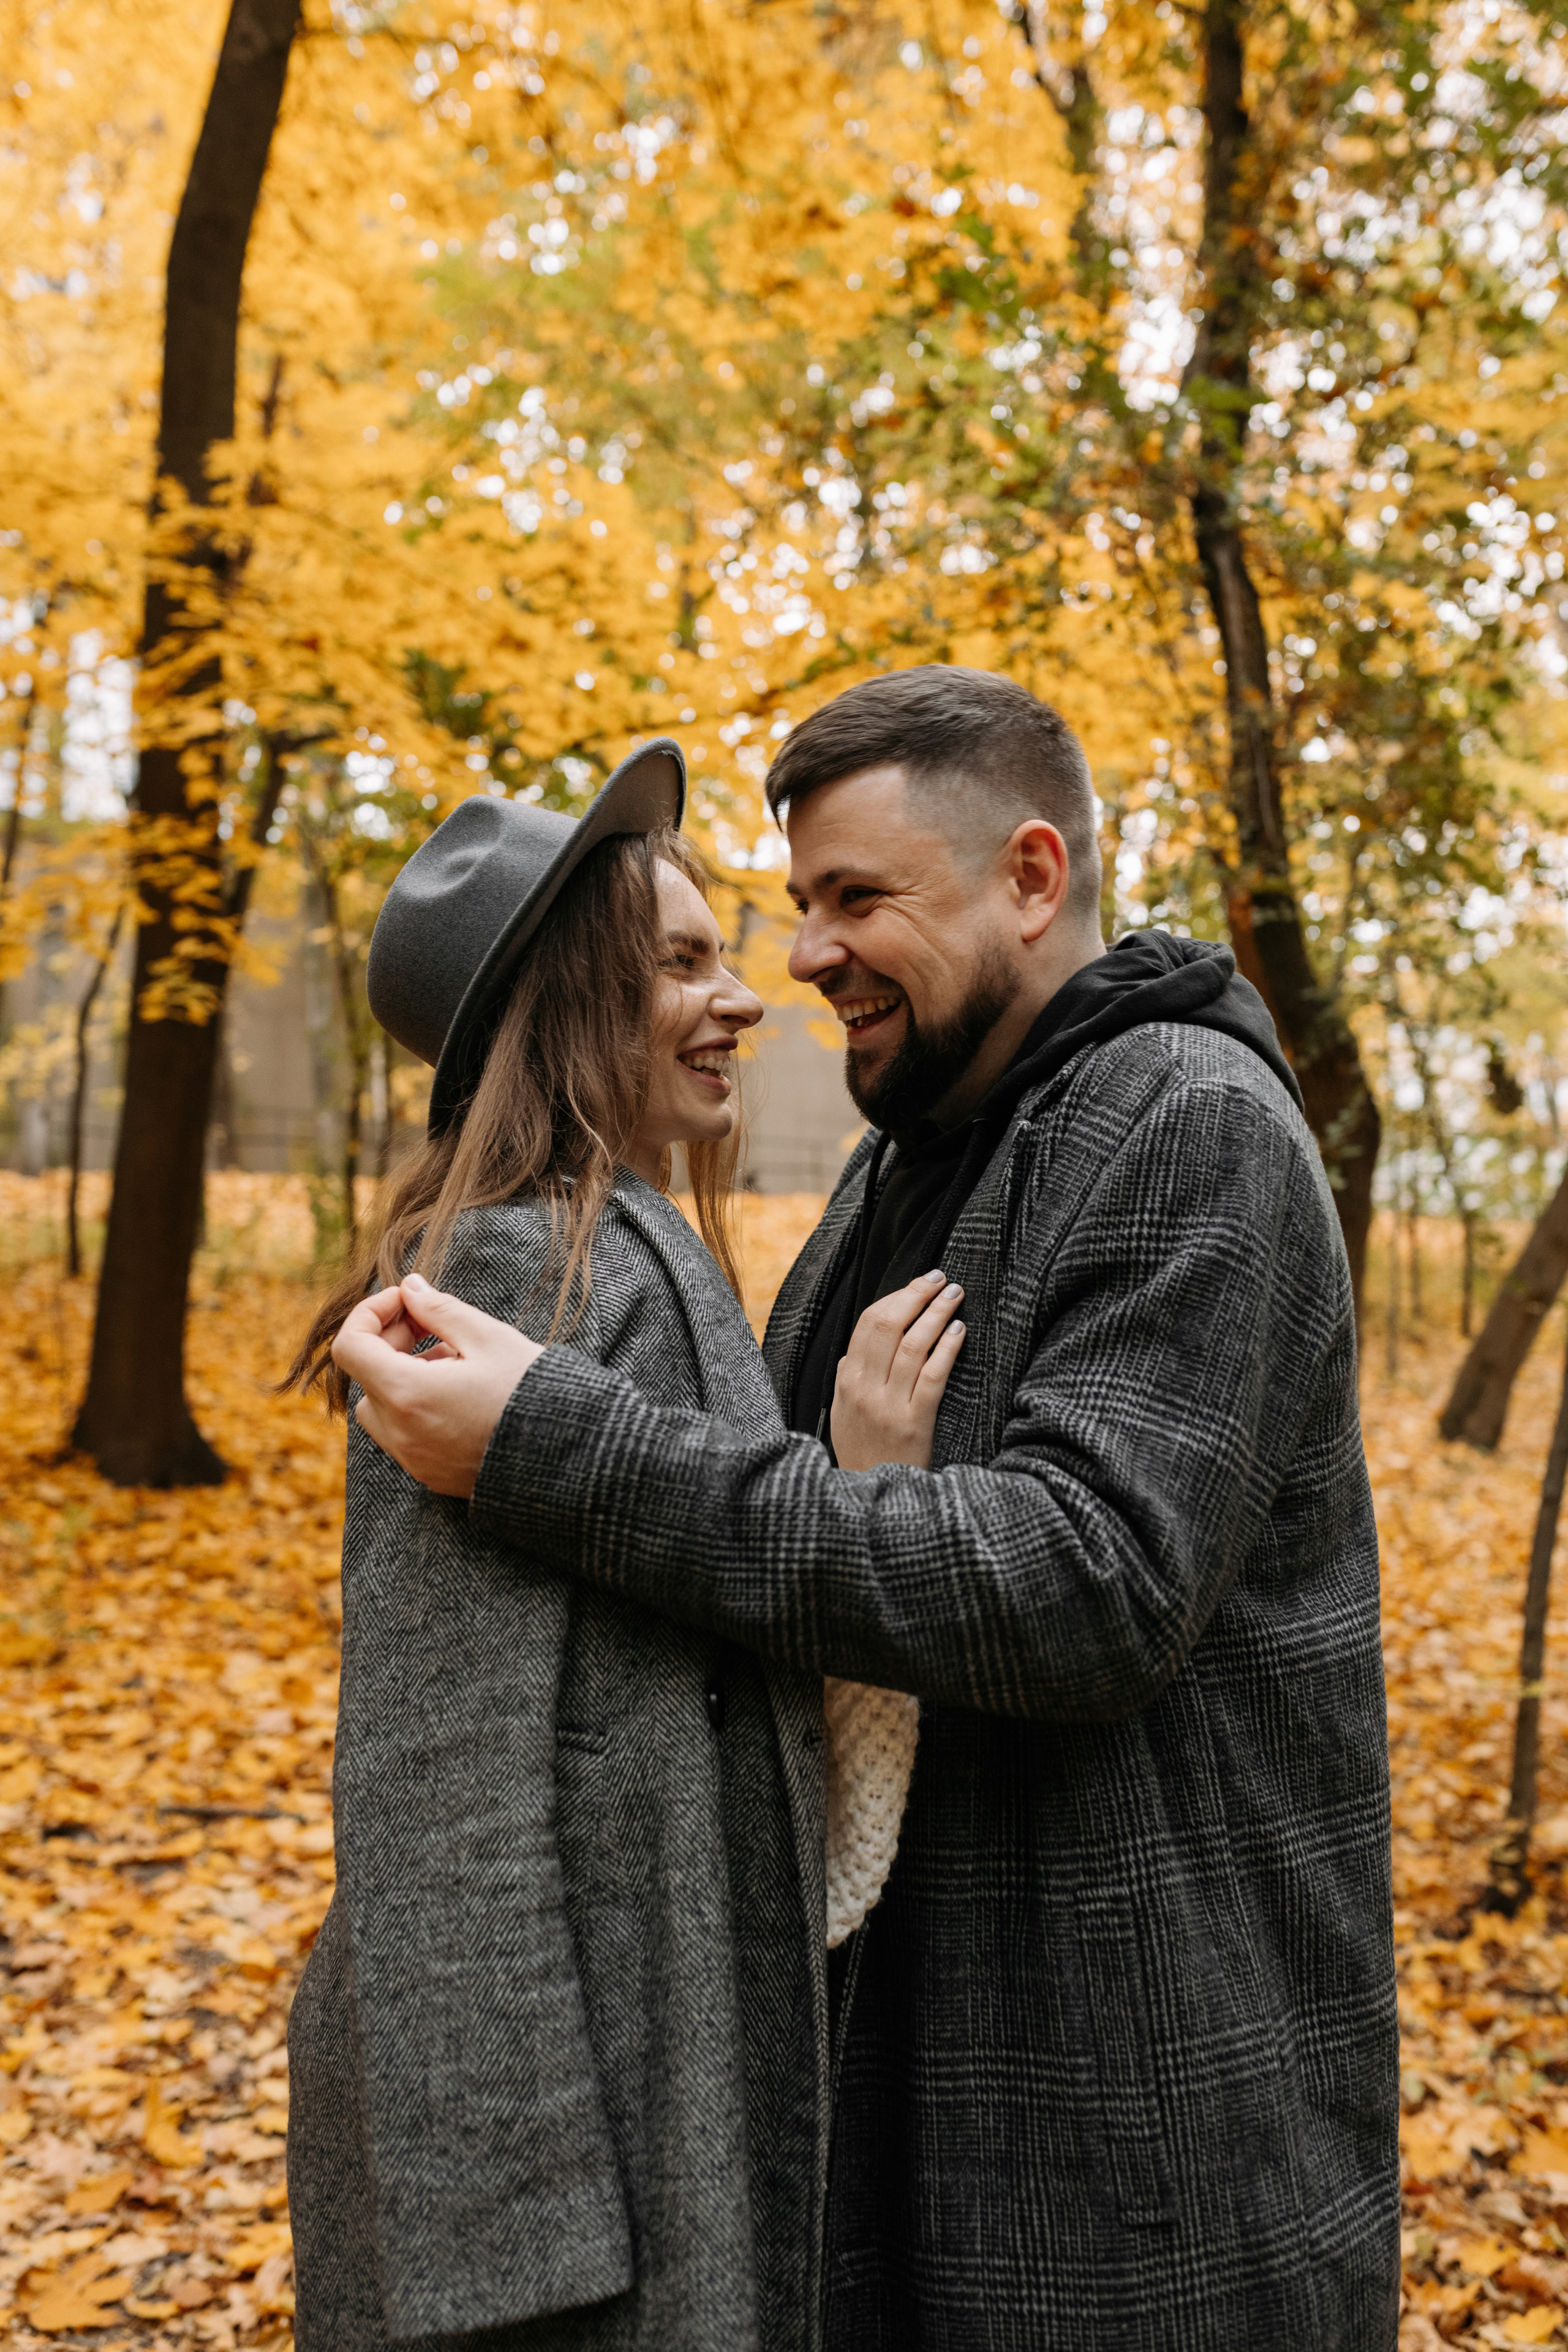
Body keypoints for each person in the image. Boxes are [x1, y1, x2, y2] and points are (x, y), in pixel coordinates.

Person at [335, 668, 1401, 2352]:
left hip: (1145, 2147)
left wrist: (555, 1442)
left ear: (1032, 879)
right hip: (891, 2106)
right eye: (787, 910)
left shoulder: (1191, 1129)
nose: (803, 959)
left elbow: (1091, 1584)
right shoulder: (895, 1169)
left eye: (855, 902)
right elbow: (723, 1594)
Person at [283, 737, 964, 2352]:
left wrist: (854, 1486)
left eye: (724, 953)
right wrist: (515, 2246)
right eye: (679, 963)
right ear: (559, 1009)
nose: (740, 998)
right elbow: (432, 1760)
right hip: (548, 2149)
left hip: (654, 2060)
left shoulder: (631, 1251)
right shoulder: (514, 1273)